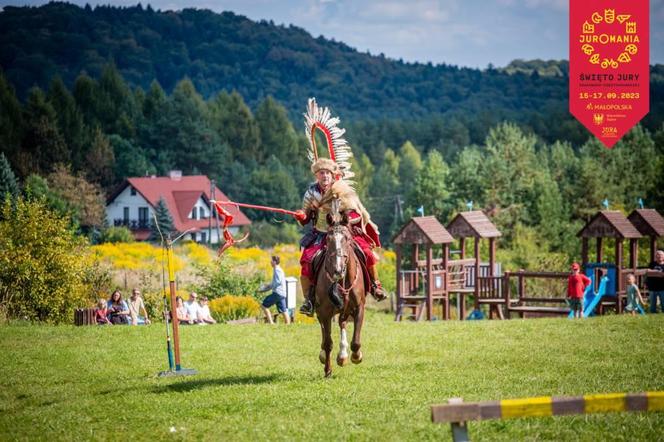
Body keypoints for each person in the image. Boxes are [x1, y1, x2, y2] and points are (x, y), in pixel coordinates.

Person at [295, 159, 385, 316]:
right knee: (306, 261)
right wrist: (301, 216)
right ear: (316, 175)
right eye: (321, 173)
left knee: (367, 253)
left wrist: (346, 220)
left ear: (332, 175)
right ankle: (309, 300)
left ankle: (376, 286)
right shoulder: (310, 193)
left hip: (344, 232)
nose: (325, 176)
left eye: (327, 173)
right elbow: (306, 219)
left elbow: (356, 213)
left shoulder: (342, 190)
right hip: (321, 233)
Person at [259, 255, 290, 324]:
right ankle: (288, 325)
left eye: (271, 261)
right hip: (282, 293)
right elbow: (275, 282)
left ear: (275, 262)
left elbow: (277, 282)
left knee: (264, 306)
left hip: (277, 293)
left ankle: (271, 323)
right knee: (283, 310)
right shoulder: (278, 269)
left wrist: (267, 288)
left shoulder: (277, 270)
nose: (270, 262)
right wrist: (268, 286)